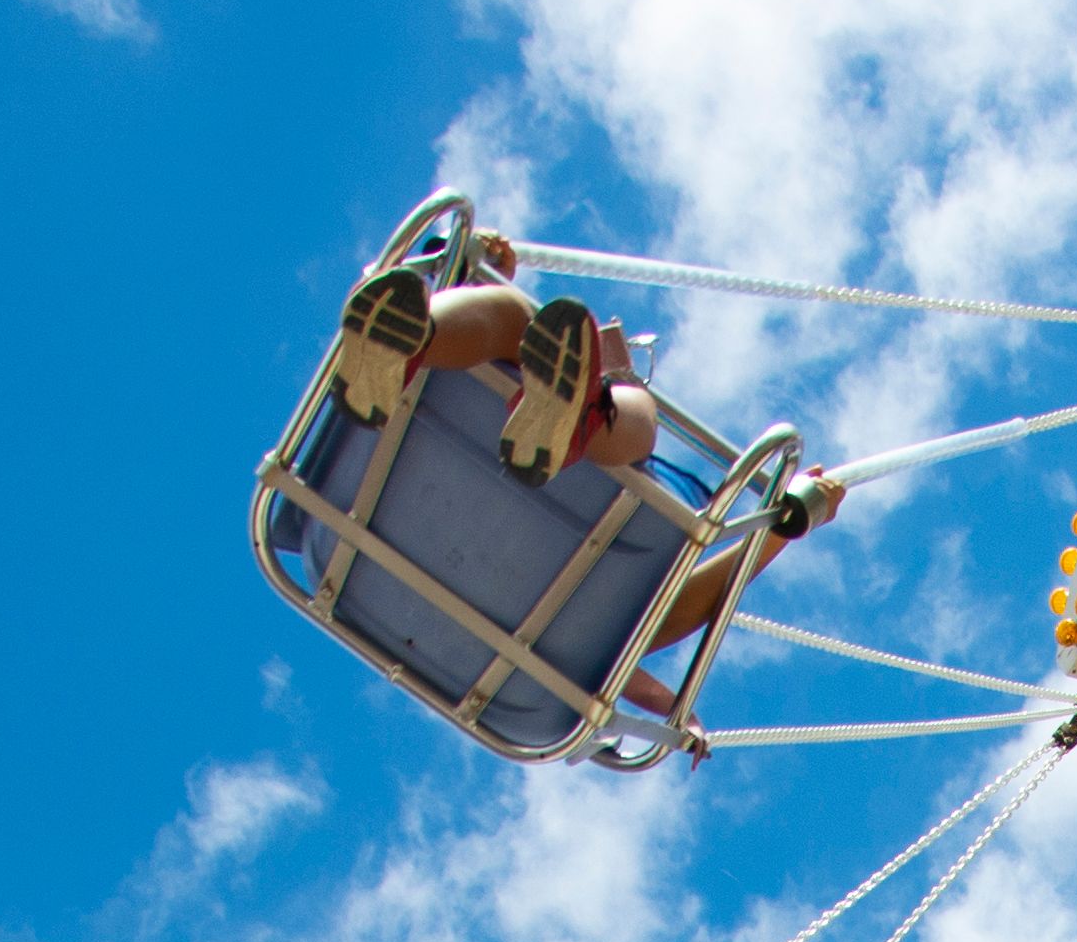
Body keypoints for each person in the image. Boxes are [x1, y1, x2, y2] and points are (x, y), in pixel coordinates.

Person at [323, 242, 843, 652]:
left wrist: (468, 269)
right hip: (574, 549)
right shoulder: (613, 621)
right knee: (637, 411)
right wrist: (781, 530)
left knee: (510, 313)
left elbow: (644, 646)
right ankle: (422, 345)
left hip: (389, 504)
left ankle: (422, 340)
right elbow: (666, 620)